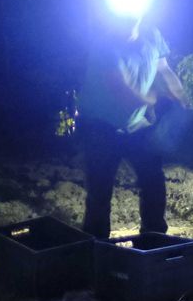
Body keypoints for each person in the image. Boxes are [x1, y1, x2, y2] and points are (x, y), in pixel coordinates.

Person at [78, 14, 187, 240]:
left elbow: (164, 69)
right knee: (100, 190)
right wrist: (157, 98)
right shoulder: (104, 44)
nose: (128, 25)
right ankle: (96, 246)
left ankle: (154, 238)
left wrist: (180, 97)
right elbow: (124, 93)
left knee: (153, 180)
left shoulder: (151, 33)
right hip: (100, 126)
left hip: (137, 125)